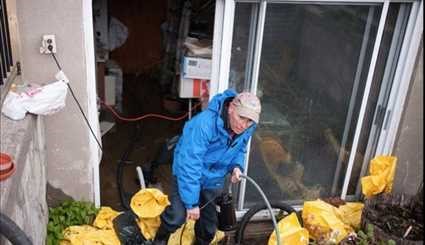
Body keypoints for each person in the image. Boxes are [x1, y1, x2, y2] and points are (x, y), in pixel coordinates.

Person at [153, 89, 261, 245]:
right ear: (231, 108)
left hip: (213, 179)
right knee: (176, 216)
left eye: (249, 121)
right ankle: (160, 238)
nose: (243, 125)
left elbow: (240, 149)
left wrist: (236, 166)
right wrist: (191, 204)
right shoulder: (203, 125)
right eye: (241, 117)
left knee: (209, 227)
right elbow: (189, 164)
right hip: (188, 172)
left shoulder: (247, 128)